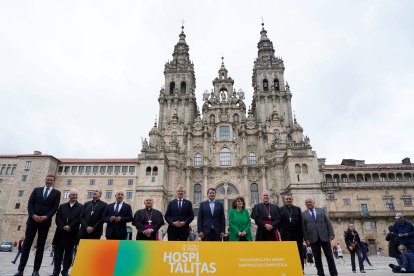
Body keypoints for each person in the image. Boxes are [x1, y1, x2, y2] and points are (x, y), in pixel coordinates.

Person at [13, 175, 61, 276]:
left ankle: (36, 271)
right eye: (47, 180)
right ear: (45, 180)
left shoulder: (57, 193)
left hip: (45, 222)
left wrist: (46, 217)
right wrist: (33, 215)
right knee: (26, 245)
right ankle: (20, 270)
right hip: (32, 221)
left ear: (53, 181)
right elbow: (30, 203)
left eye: (51, 180)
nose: (49, 181)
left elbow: (55, 207)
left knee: (40, 247)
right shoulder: (36, 190)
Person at [302, 197, 338, 276]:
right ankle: (321, 273)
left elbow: (328, 222)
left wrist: (331, 233)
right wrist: (306, 239)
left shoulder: (321, 211)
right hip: (312, 239)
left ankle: (334, 273)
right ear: (305, 204)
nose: (309, 203)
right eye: (307, 202)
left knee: (329, 256)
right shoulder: (303, 214)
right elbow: (304, 228)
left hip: (324, 237)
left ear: (313, 202)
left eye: (310, 202)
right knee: (317, 258)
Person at [51, 189, 83, 276]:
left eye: (76, 195)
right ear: (69, 196)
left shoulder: (81, 207)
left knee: (68, 255)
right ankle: (56, 272)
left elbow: (79, 219)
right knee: (57, 254)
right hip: (60, 233)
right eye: (73, 195)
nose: (75, 196)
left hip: (72, 234)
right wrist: (62, 226)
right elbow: (58, 217)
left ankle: (65, 271)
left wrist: (70, 226)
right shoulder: (62, 206)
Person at [279, 194, 304, 268]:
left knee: (299, 252)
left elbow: (300, 222)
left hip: (297, 235)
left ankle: (300, 268)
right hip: (285, 235)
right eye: (287, 199)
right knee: (287, 253)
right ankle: (289, 268)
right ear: (284, 200)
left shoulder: (297, 209)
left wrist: (301, 234)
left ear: (292, 200)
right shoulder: (280, 209)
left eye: (290, 199)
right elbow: (279, 222)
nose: (288, 200)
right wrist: (281, 231)